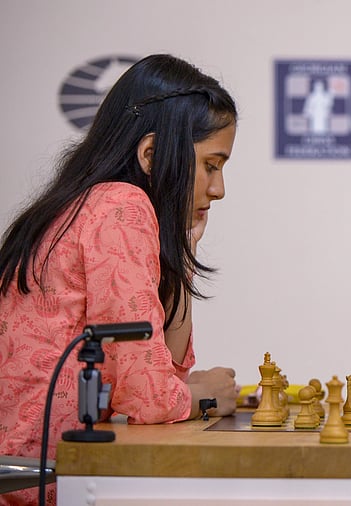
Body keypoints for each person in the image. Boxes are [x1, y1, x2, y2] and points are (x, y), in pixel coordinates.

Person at [0, 54, 240, 505]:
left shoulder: (86, 203)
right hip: (44, 486)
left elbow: (165, 371)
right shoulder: (120, 206)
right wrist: (205, 396)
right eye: (211, 164)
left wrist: (182, 257)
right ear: (150, 154)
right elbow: (150, 399)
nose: (219, 188)